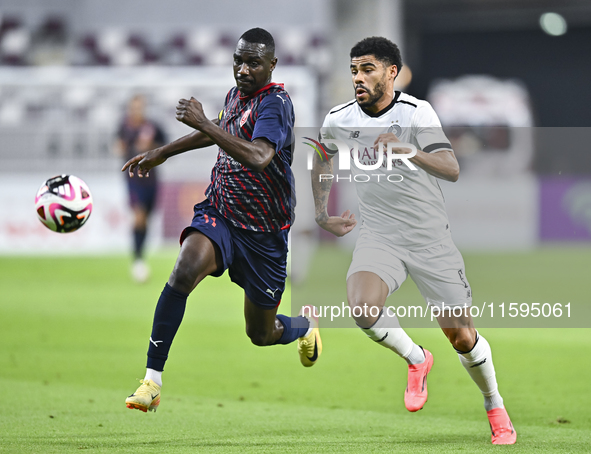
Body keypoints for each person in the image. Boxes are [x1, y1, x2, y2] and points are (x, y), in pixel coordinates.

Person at [311, 37, 515, 445]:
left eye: (367, 69)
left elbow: (451, 167)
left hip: (428, 240)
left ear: (391, 72)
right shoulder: (338, 117)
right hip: (378, 234)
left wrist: (409, 151)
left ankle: (495, 405)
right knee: (363, 309)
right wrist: (321, 214)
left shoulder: (416, 113)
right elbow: (322, 156)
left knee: (462, 338)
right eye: (354, 70)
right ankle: (417, 359)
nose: (358, 78)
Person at [121, 28, 321, 413]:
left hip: (264, 233)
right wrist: (162, 152)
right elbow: (219, 129)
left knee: (261, 334)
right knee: (182, 272)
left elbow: (260, 156)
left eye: (253, 63)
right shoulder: (236, 97)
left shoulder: (275, 104)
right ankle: (152, 380)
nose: (243, 70)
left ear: (272, 65)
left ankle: (304, 326)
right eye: (238, 60)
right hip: (222, 213)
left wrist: (205, 124)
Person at [114, 94, 166, 283]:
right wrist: (124, 149)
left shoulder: (153, 127)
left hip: (151, 179)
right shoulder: (124, 127)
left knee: (146, 220)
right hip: (133, 179)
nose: (136, 110)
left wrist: (150, 146)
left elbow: (165, 147)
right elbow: (118, 147)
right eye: (134, 107)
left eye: (139, 107)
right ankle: (137, 261)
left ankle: (140, 256)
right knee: (139, 217)